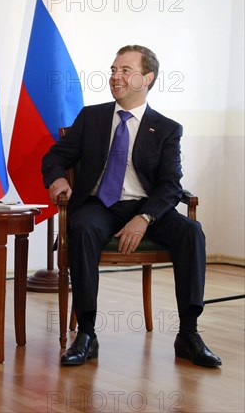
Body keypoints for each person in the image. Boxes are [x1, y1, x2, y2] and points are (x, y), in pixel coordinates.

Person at [41, 45, 221, 368]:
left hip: (146, 207)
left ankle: (189, 334)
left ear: (147, 78)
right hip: (100, 205)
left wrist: (145, 217)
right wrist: (57, 180)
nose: (115, 76)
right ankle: (86, 334)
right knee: (81, 228)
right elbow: (54, 157)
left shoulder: (166, 129)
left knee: (192, 232)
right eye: (113, 70)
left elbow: (170, 185)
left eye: (125, 70)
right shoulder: (91, 117)